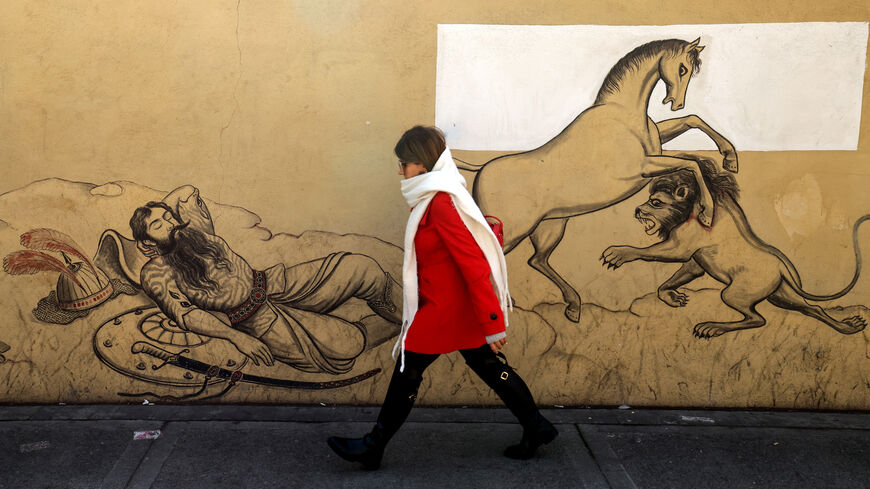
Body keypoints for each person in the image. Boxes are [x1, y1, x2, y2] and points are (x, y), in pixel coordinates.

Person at [327, 126, 557, 469]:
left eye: (404, 162)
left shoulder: (441, 202)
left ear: (422, 164)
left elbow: (473, 263)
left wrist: (493, 322)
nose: (400, 170)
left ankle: (373, 446)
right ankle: (536, 426)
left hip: (447, 310)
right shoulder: (431, 199)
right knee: (489, 368)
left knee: (409, 369)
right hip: (447, 306)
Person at [128, 185, 403, 374]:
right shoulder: (156, 272)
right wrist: (237, 338)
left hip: (271, 283)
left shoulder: (195, 233)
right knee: (348, 344)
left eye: (168, 216)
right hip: (256, 320)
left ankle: (415, 314)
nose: (170, 223)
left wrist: (165, 214)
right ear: (146, 243)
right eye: (158, 225)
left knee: (361, 267)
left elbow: (187, 192)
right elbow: (185, 315)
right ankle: (407, 326)